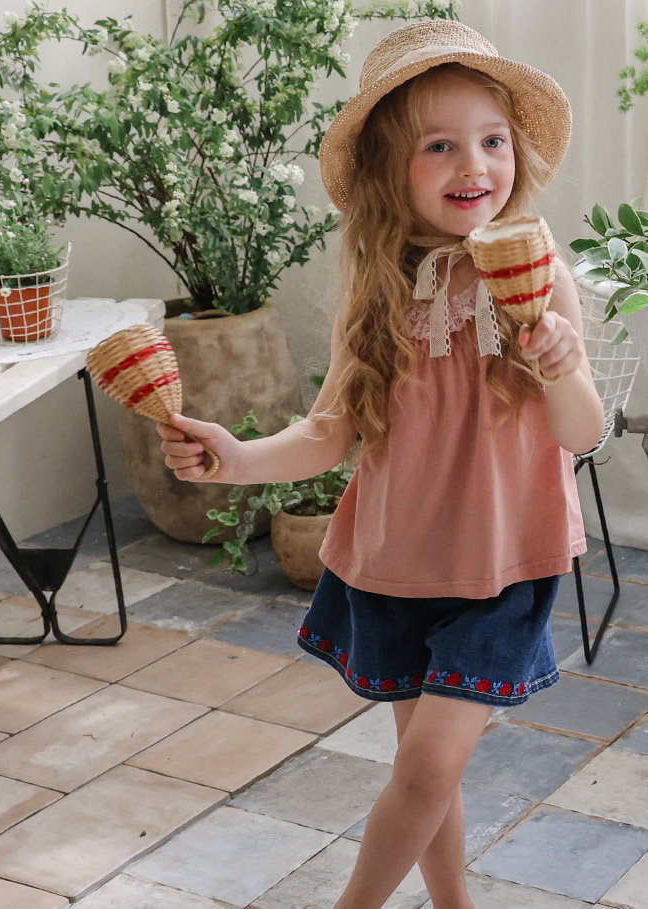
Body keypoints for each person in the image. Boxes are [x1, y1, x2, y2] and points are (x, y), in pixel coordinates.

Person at [157, 19, 604, 909]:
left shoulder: (539, 278)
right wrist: (235, 458)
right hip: (397, 561)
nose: (472, 164)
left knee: (430, 763)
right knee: (421, 768)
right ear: (386, 172)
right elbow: (328, 434)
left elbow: (581, 433)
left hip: (502, 564)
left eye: (491, 141)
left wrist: (561, 365)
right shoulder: (376, 290)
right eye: (438, 146)